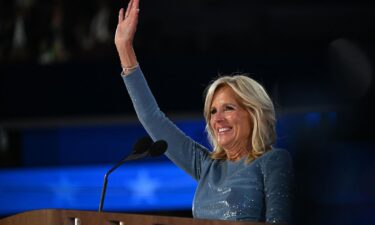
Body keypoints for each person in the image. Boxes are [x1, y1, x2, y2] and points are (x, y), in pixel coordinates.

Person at [114, 0, 294, 223]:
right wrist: (125, 49)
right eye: (212, 112)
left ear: (254, 113)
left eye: (228, 108)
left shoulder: (273, 161)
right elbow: (152, 118)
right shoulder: (207, 166)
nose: (217, 119)